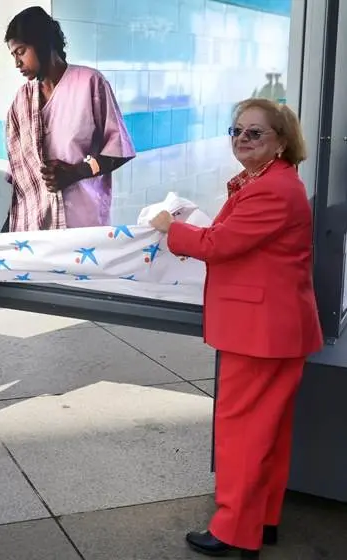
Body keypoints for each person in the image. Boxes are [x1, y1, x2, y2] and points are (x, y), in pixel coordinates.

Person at [149, 98, 323, 558]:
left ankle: (232, 530)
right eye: (237, 131)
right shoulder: (272, 183)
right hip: (273, 330)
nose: (241, 139)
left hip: (260, 332)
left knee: (241, 433)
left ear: (281, 142)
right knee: (267, 432)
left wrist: (169, 228)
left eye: (255, 133)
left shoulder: (272, 189)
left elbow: (219, 244)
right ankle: (261, 520)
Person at [3, 6, 135, 232]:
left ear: (42, 43)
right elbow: (20, 174)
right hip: (35, 226)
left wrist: (76, 172)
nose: (17, 63)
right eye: (13, 55)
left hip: (82, 222)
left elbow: (119, 151)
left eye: (21, 51)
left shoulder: (90, 83)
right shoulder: (22, 100)